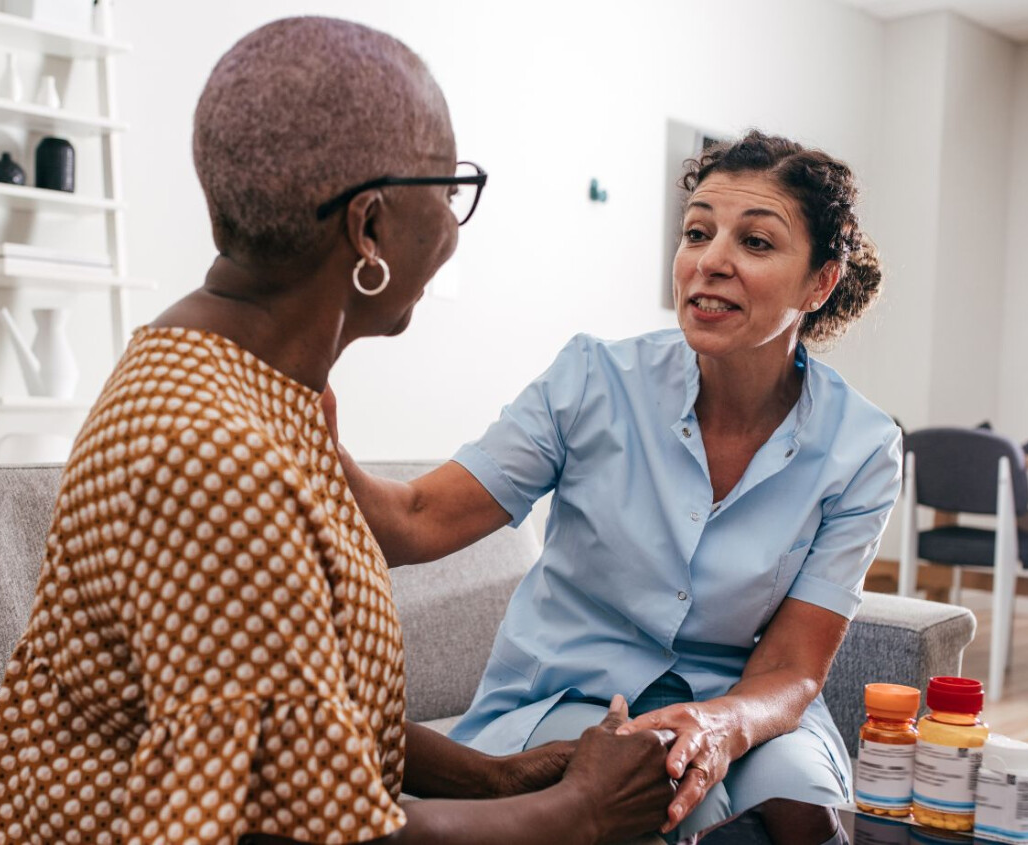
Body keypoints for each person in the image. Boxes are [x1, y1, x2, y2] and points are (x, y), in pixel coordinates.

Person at [0, 16, 674, 845]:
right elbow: (301, 832)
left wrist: (498, 776)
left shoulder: (239, 382)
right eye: (448, 190)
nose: (452, 220)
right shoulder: (217, 457)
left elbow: (286, 720)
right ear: (368, 229)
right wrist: (582, 811)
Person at [340, 130, 900, 843]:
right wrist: (310, 432)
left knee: (805, 813)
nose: (711, 261)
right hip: (570, 693)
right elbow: (417, 516)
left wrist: (722, 722)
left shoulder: (862, 447)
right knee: (672, 805)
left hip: (743, 703)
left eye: (755, 243)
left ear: (820, 282)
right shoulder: (592, 381)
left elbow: (793, 666)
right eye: (697, 233)